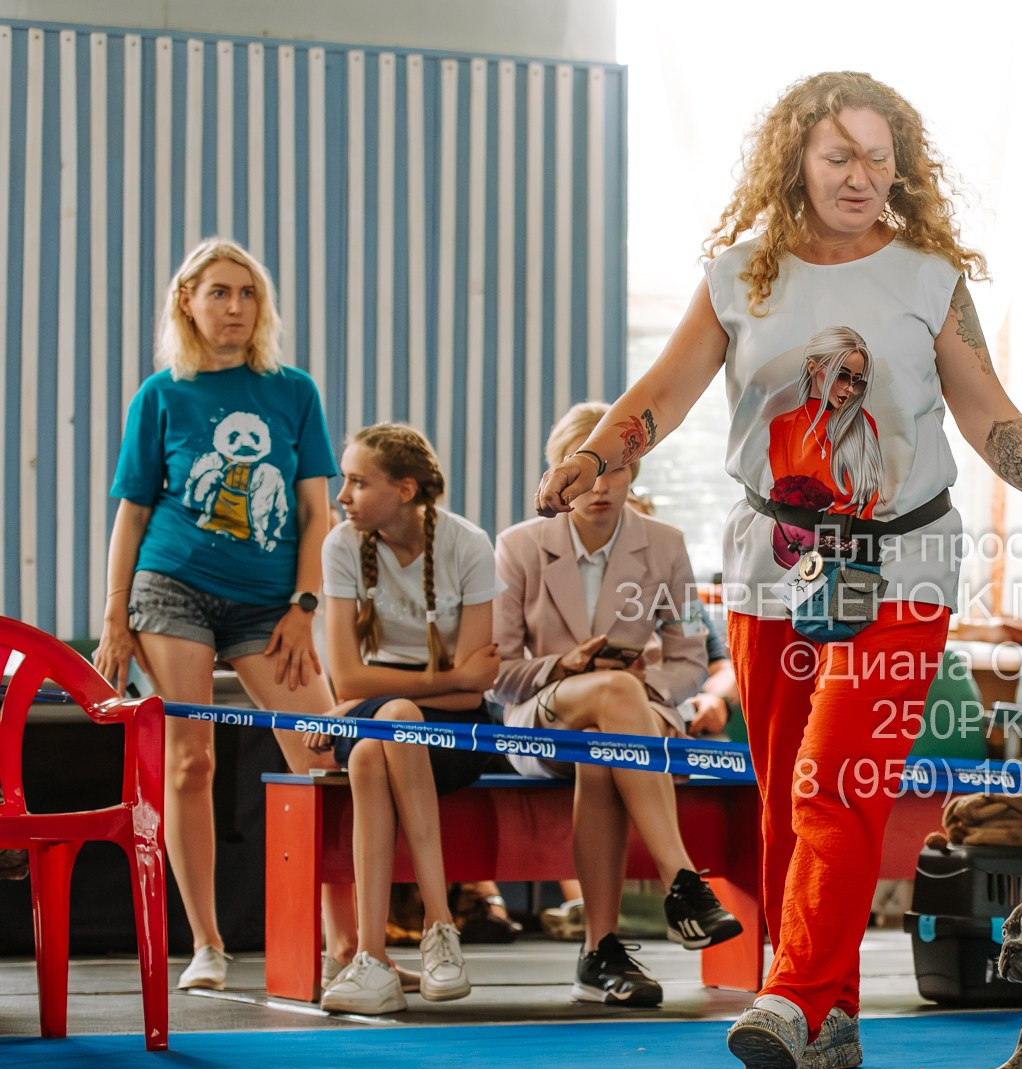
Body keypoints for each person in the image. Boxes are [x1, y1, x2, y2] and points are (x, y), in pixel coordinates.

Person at [534, 71, 1022, 1069]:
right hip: (773, 565)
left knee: (837, 780)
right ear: (797, 164)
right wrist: (598, 455)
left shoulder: (926, 275)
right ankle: (831, 1013)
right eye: (838, 155)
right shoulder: (740, 277)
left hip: (903, 560)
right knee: (785, 802)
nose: (862, 175)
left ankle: (788, 995)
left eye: (878, 155)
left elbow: (987, 413)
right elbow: (664, 393)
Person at [93, 238, 341, 992]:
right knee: (190, 760)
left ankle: (347, 944)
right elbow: (132, 517)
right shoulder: (162, 395)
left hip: (270, 602)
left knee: (323, 754)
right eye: (218, 293)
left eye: (247, 294)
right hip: (173, 588)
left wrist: (304, 609)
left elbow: (314, 511)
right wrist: (114, 615)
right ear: (187, 303)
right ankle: (207, 943)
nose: (234, 307)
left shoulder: (292, 390)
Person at [493, 403, 744, 1007]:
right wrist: (567, 666)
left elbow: (688, 661)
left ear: (635, 471)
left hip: (636, 720)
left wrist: (647, 692)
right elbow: (498, 675)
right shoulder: (519, 546)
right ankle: (682, 883)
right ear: (558, 474)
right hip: (540, 720)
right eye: (585, 472)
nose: (600, 486)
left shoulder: (666, 545)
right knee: (613, 694)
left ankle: (599, 954)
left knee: (606, 745)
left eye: (617, 469)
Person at [315, 424, 500, 1014]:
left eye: (357, 482)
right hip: (392, 711)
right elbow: (347, 680)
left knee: (377, 740)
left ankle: (373, 960)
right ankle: (437, 930)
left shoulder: (468, 544)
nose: (342, 495)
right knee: (389, 722)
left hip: (455, 731)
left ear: (404, 489)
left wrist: (403, 697)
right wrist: (447, 680)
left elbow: (480, 691)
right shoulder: (342, 544)